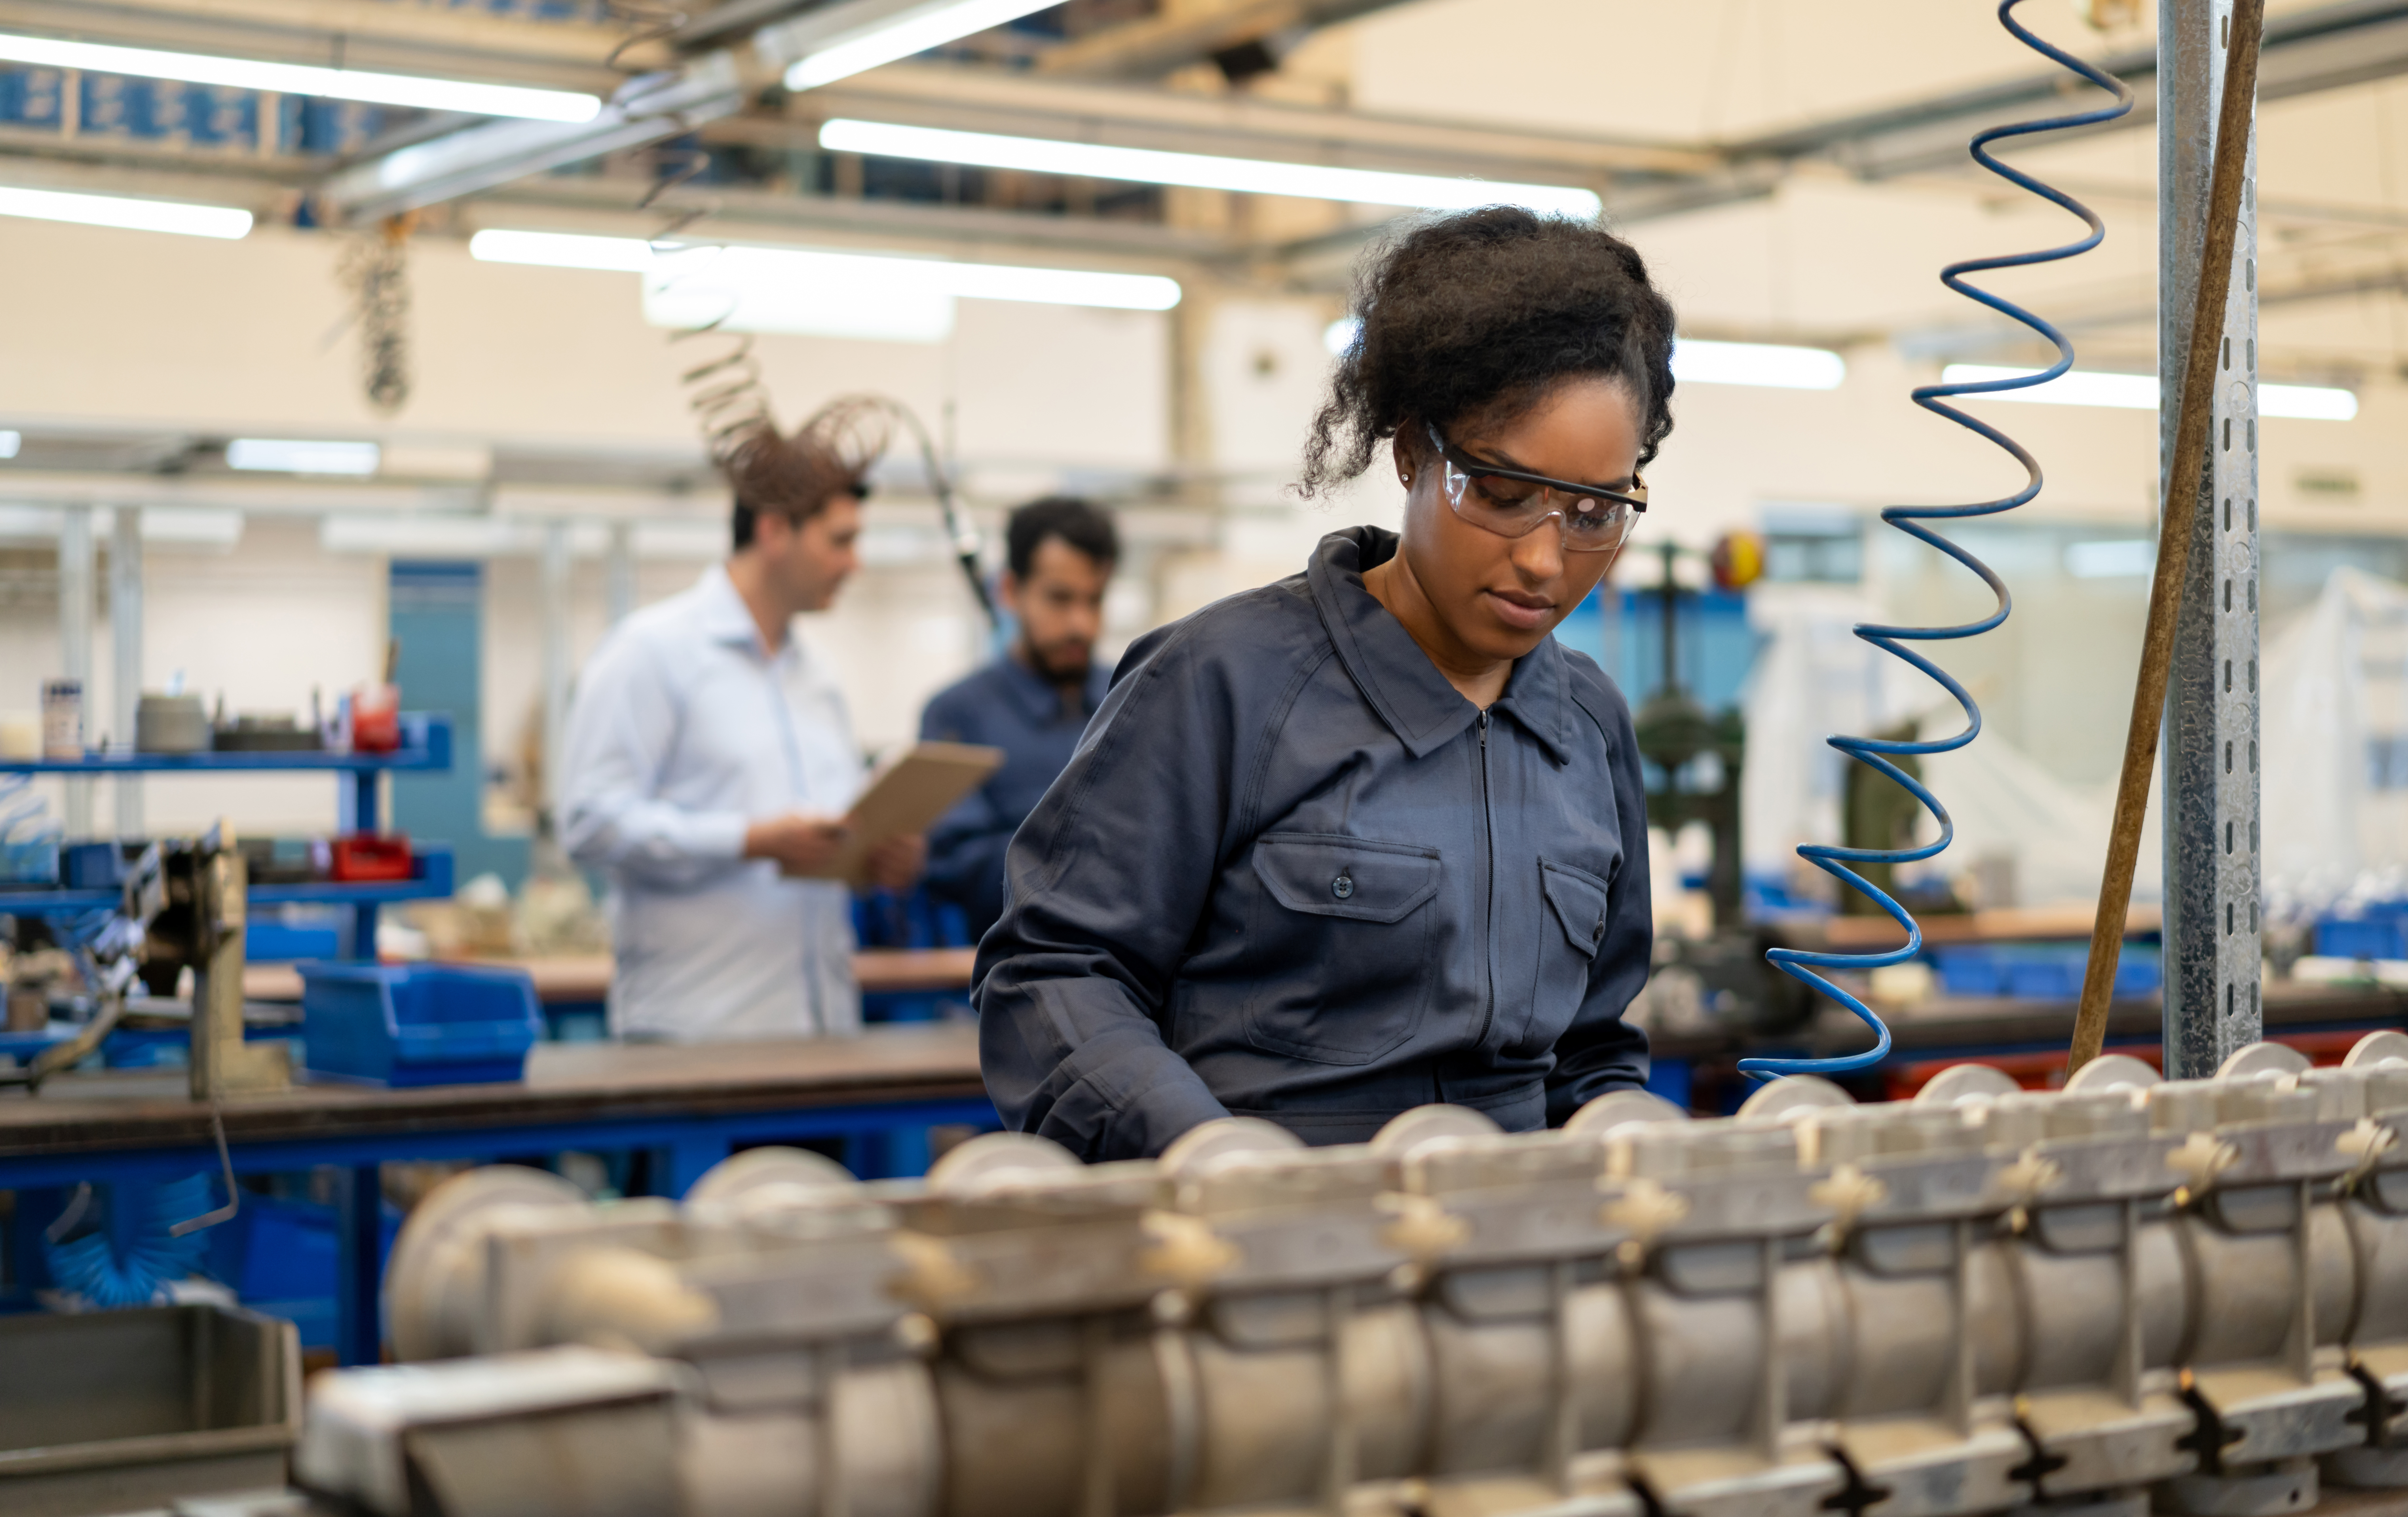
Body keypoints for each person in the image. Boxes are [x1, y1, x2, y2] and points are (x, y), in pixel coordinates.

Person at [975, 207, 1670, 1158]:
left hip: (1516, 1260)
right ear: (1413, 452)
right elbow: (1056, 973)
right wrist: (1207, 1160)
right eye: (1505, 496)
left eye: (1595, 512)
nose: (1547, 560)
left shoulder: (1588, 728)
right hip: (1263, 1251)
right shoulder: (1223, 685)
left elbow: (1591, 1048)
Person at [560, 406, 925, 1042]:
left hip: (821, 1033)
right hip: (696, 1038)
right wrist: (749, 840)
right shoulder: (652, 654)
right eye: (840, 541)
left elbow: (826, 841)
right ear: (776, 529)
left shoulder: (817, 678)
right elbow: (590, 821)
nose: (855, 563)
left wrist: (875, 859)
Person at [919, 497, 1119, 943]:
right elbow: (957, 866)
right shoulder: (958, 714)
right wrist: (1097, 850)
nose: (1081, 625)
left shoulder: (1129, 699)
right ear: (1009, 591)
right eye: (1060, 599)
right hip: (1010, 978)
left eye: (1095, 600)